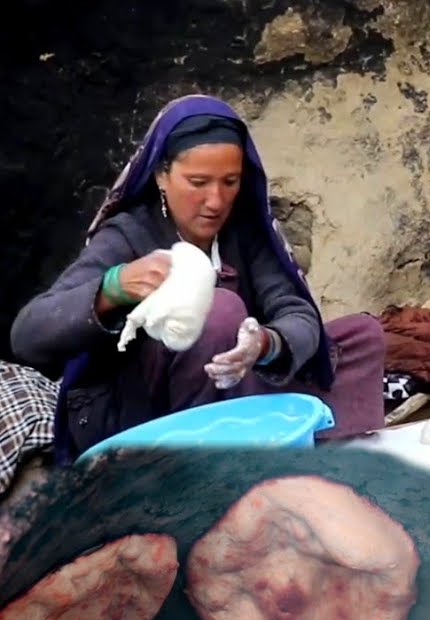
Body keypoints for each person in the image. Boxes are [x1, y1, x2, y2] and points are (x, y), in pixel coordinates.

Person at [10, 95, 387, 465]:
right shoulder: (127, 237)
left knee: (363, 336)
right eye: (198, 181)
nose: (216, 201)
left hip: (227, 383)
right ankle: (208, 460)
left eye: (230, 181)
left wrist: (265, 345)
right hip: (138, 414)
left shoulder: (243, 233)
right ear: (161, 175)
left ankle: (252, 428)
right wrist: (113, 287)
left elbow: (297, 314)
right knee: (220, 311)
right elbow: (28, 337)